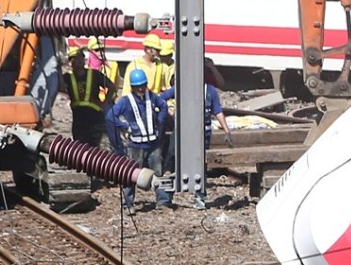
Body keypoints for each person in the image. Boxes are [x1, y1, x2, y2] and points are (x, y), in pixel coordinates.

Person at [106, 69, 172, 214]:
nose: (141, 89)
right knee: (130, 175)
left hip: (153, 143)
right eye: (138, 86)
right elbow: (111, 116)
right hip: (136, 145)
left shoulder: (152, 97)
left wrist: (160, 120)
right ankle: (127, 204)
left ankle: (163, 202)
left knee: (158, 172)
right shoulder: (126, 101)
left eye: (143, 85)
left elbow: (163, 106)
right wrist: (124, 126)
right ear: (133, 87)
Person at [160, 80, 233, 209]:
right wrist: (169, 112)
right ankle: (165, 198)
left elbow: (217, 110)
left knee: (200, 165)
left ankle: (200, 197)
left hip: (201, 133)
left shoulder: (210, 91)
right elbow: (161, 99)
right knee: (171, 161)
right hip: (182, 130)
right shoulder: (182, 87)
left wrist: (226, 130)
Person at [62, 46, 115, 148]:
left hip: (95, 116)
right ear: (70, 62)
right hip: (79, 118)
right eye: (75, 58)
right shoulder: (67, 77)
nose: (78, 60)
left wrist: (105, 102)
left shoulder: (94, 74)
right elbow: (59, 86)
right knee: (80, 147)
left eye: (80, 57)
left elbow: (111, 86)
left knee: (95, 147)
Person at [86, 37, 120, 103]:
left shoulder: (112, 67)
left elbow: (114, 88)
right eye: (97, 50)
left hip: (107, 103)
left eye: (102, 49)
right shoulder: (85, 69)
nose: (101, 52)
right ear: (90, 51)